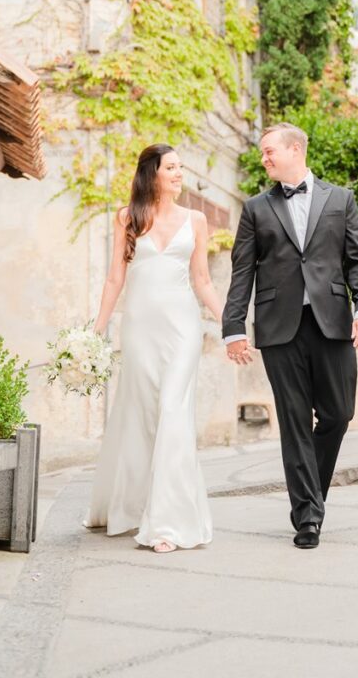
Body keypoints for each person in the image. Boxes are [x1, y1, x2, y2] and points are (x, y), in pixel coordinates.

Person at [222, 123, 358, 549]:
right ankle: (307, 516)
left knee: (338, 415)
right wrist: (233, 327)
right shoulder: (256, 208)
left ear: (295, 149)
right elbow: (242, 271)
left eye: (270, 150)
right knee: (293, 421)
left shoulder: (340, 199)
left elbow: (357, 261)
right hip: (279, 327)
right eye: (262, 153)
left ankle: (313, 497)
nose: (264, 158)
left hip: (332, 323)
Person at [84, 143, 223, 553]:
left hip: (183, 328)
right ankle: (133, 505)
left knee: (173, 413)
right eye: (172, 168)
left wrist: (231, 323)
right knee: (143, 415)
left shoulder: (196, 220)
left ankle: (168, 524)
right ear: (153, 173)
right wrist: (97, 330)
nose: (180, 174)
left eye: (181, 167)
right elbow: (114, 279)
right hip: (140, 329)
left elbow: (203, 281)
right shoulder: (128, 218)